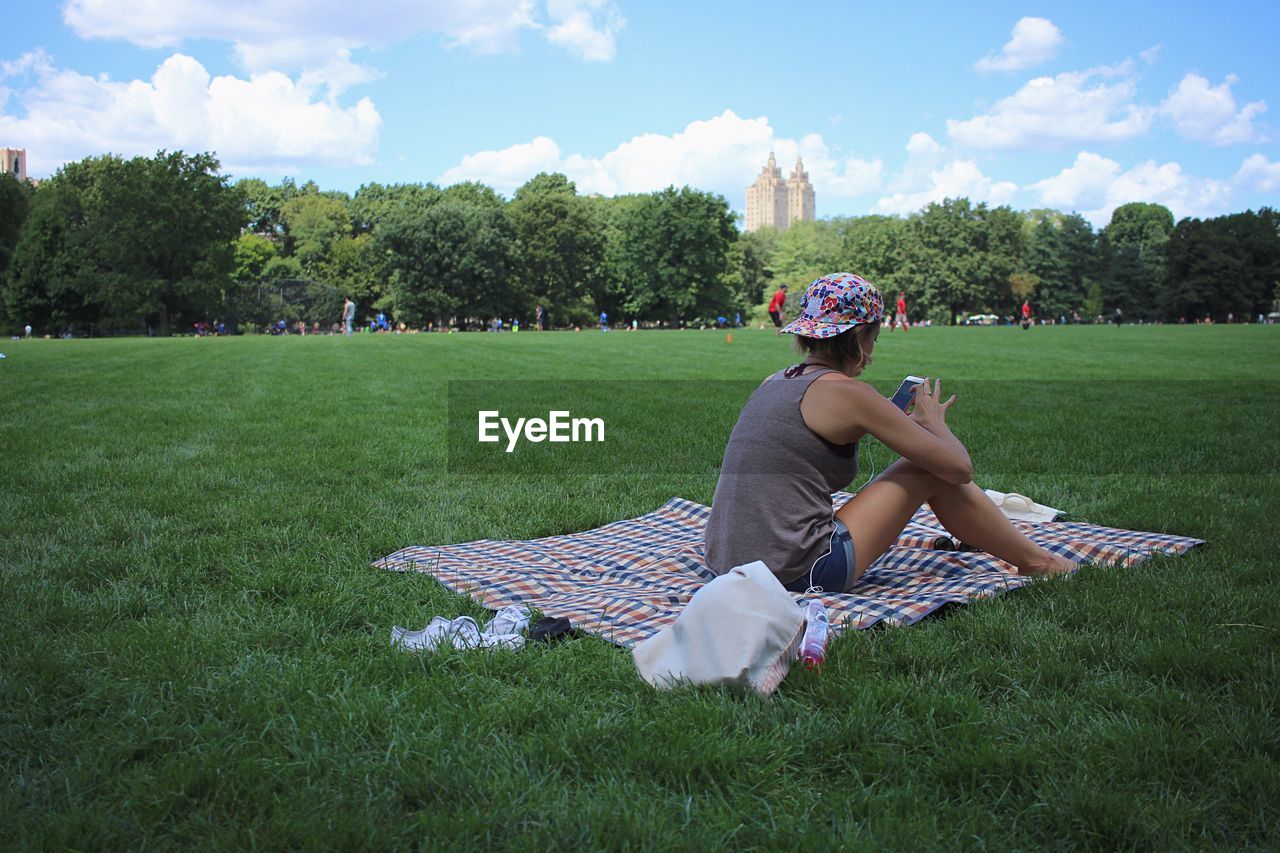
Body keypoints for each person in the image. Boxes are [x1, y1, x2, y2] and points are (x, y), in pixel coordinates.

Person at [704, 271, 1076, 594]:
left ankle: (1013, 549)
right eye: (874, 339)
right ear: (862, 335)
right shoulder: (848, 393)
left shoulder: (777, 381)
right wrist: (934, 423)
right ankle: (1038, 562)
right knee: (927, 470)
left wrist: (894, 420)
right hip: (798, 572)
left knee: (921, 466)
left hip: (729, 565)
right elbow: (958, 468)